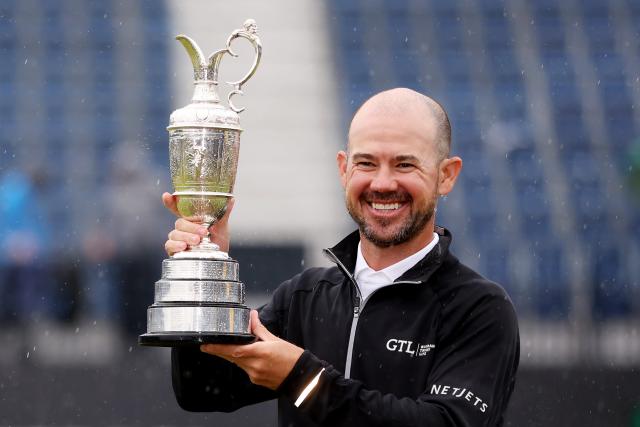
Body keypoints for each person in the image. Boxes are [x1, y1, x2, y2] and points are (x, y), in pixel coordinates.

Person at [163, 88, 520, 426]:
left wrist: (303, 379)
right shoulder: (305, 297)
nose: (382, 183)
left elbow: (443, 422)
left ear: (446, 175)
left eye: (404, 165)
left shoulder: (479, 309)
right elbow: (202, 388)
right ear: (343, 169)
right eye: (366, 163)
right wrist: (205, 272)